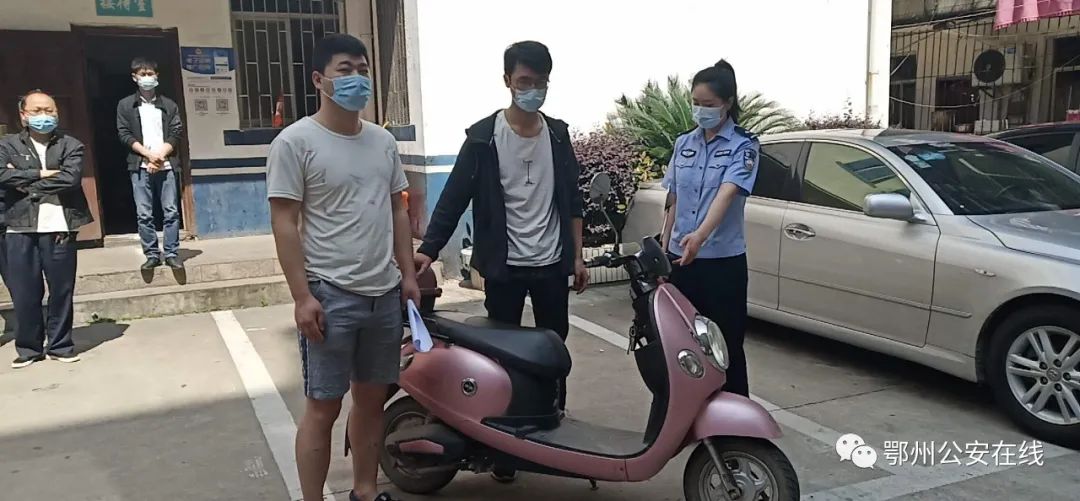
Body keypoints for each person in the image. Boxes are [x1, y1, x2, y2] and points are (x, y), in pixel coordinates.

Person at [414, 40, 587, 482]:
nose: (532, 89)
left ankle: (554, 424)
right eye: (524, 81)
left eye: (540, 82)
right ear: (507, 80)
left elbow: (573, 201)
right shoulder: (483, 137)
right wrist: (428, 250)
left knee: (554, 349)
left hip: (551, 264)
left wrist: (578, 257)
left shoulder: (558, 135)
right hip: (504, 267)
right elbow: (453, 198)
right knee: (502, 354)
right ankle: (504, 443)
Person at [266, 33, 418, 501]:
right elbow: (284, 222)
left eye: (363, 69)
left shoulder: (382, 141)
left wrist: (408, 275)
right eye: (345, 70)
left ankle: (365, 492)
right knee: (323, 408)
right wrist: (301, 297)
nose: (357, 79)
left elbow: (396, 210)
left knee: (371, 402)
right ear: (319, 80)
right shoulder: (296, 142)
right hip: (330, 295)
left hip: (383, 295)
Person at [660, 60, 758, 398]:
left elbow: (727, 193)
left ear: (727, 103)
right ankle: (689, 411)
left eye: (708, 104)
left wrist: (700, 236)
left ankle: (735, 415)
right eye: (695, 103)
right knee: (683, 344)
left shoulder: (744, 145)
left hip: (721, 263)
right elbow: (673, 197)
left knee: (726, 345)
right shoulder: (683, 143)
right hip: (681, 261)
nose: (700, 111)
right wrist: (664, 245)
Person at [0, 90, 93, 368]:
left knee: (61, 290)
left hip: (59, 226)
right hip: (19, 227)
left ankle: (60, 345)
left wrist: (24, 183)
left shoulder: (71, 145)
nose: (44, 116)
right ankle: (29, 348)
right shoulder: (7, 145)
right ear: (23, 115)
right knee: (24, 292)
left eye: (49, 110)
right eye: (37, 111)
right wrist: (41, 174)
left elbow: (70, 179)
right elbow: (2, 175)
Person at [116, 57, 185, 271]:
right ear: (134, 77)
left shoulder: (169, 105)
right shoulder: (126, 105)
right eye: (142, 74)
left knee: (171, 211)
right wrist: (148, 155)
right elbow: (124, 134)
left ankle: (171, 253)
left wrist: (160, 156)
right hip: (139, 165)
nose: (147, 78)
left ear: (157, 76)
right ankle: (152, 254)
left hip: (167, 164)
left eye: (150, 74)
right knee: (144, 214)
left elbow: (176, 132)